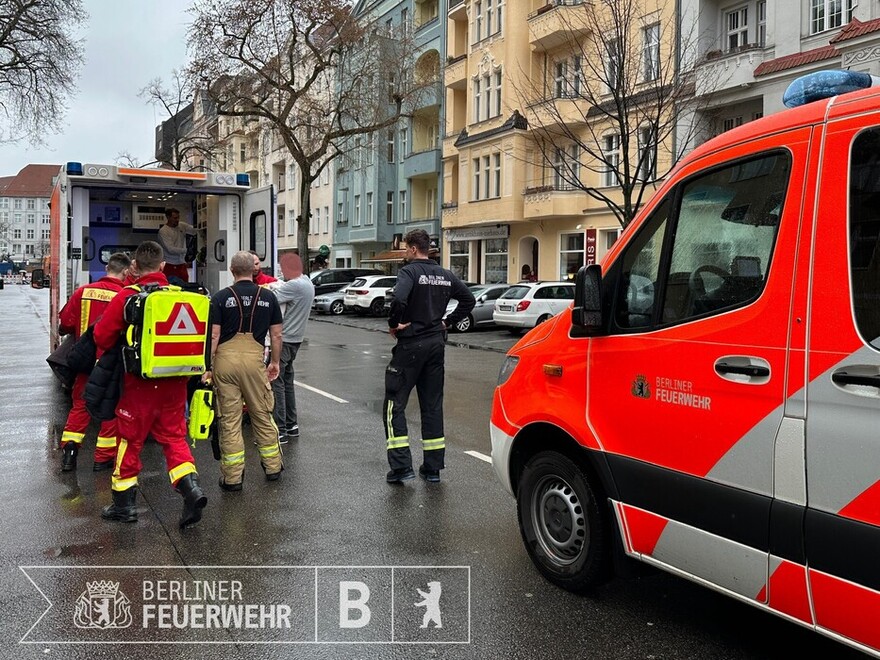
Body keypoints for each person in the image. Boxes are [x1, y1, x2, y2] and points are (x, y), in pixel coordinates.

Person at [92, 240, 207, 527]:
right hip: (176, 382)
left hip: (138, 386)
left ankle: (124, 506)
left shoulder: (127, 296)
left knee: (129, 441)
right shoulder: (181, 296)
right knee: (174, 439)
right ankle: (190, 489)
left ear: (134, 266)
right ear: (163, 266)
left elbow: (102, 338)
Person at [383, 229, 475, 484]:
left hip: (411, 344)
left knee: (394, 404)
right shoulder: (446, 275)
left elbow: (398, 298)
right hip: (436, 344)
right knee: (432, 405)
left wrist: (395, 323)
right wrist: (447, 322)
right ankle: (432, 468)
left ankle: (402, 467)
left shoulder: (409, 272)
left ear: (413, 249)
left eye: (405, 248)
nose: (405, 253)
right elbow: (468, 300)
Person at [204, 250, 283, 490]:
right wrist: (275, 363)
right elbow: (277, 334)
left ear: (232, 270)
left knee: (229, 419)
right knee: (261, 414)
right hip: (253, 361)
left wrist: (208, 367)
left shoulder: (219, 298)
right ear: (254, 269)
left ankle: (232, 478)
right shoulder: (268, 298)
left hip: (225, 363)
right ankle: (273, 468)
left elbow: (214, 335)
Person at [58, 252, 131, 472]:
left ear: (107, 268)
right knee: (109, 408)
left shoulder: (83, 292)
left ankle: (70, 449)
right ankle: (103, 458)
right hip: (110, 365)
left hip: (85, 361)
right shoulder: (125, 296)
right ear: (126, 272)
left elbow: (66, 323)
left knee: (80, 406)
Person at [268, 252, 315, 443]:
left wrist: (267, 286)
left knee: (276, 381)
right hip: (296, 339)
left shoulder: (294, 285)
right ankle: (291, 424)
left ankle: (279, 430)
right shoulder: (307, 283)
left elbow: (270, 298)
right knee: (287, 381)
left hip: (284, 339)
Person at [156, 208, 197, 283]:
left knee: (185, 286)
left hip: (182, 263)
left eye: (178, 217)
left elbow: (195, 230)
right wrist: (187, 250)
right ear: (168, 217)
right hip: (170, 263)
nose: (177, 220)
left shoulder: (182, 226)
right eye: (175, 218)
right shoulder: (163, 231)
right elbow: (170, 249)